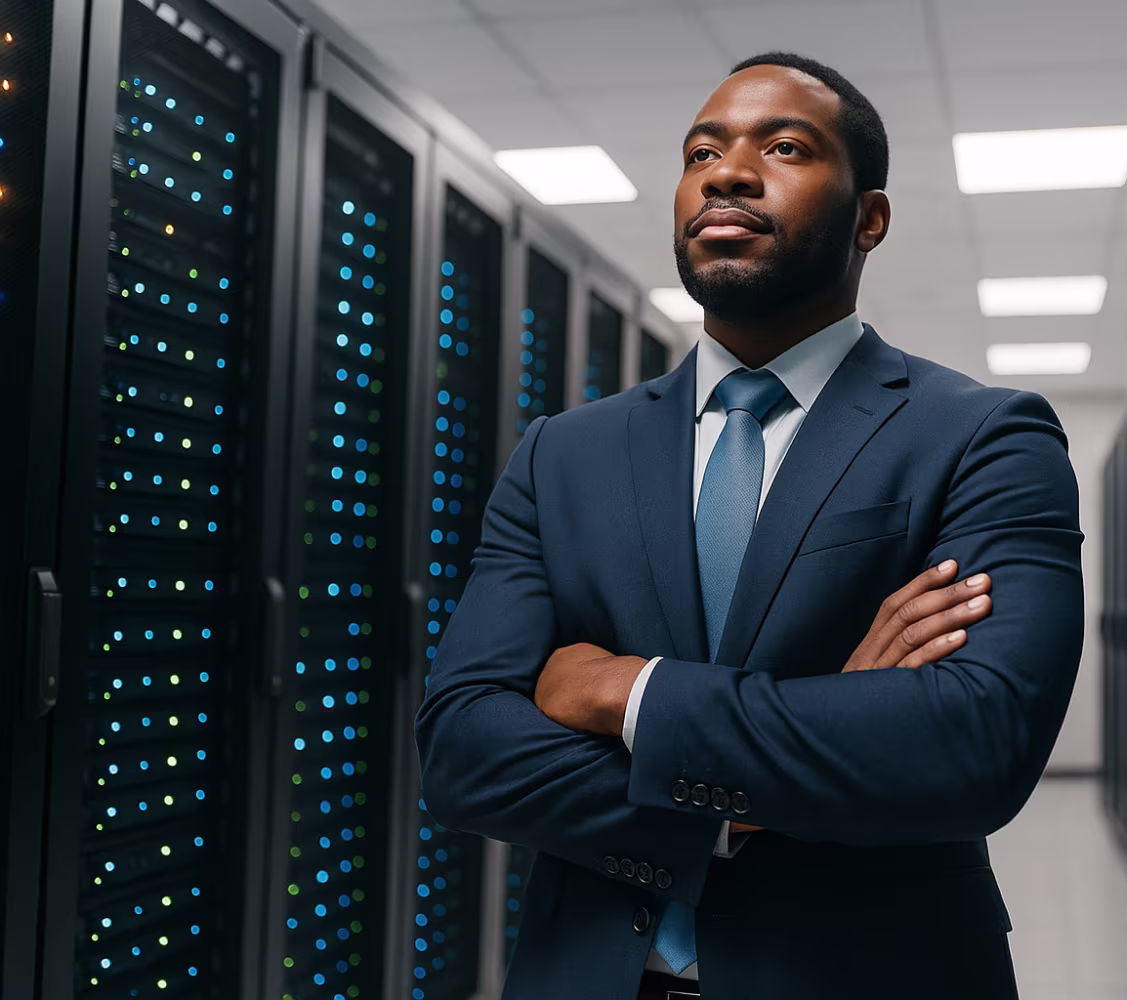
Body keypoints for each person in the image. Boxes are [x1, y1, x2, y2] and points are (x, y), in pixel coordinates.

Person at [415, 51, 1084, 1000]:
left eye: (784, 146)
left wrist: (622, 691)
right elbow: (463, 752)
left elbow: (973, 747)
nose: (726, 171)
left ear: (870, 218)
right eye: (701, 152)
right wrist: (768, 781)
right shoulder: (563, 454)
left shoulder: (982, 435)